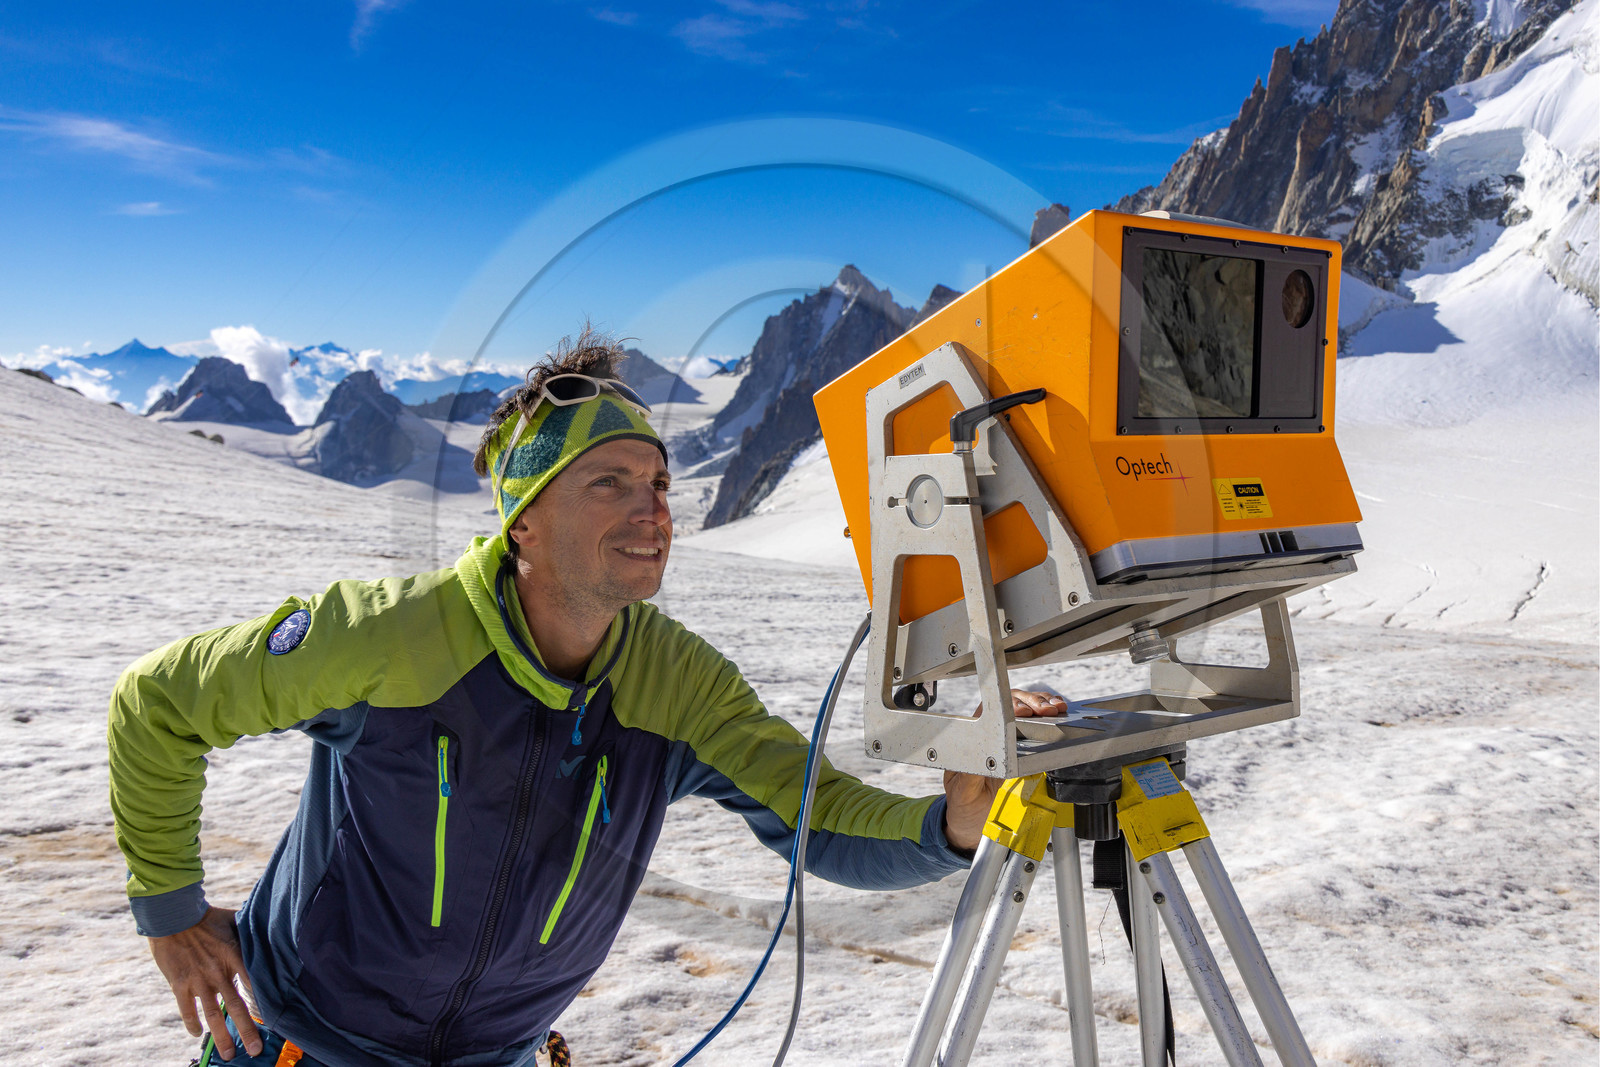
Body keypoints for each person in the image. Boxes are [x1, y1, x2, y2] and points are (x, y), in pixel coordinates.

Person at [108, 329, 1065, 1067]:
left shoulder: (675, 683)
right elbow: (157, 703)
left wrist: (949, 825)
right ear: (525, 520)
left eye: (656, 481)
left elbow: (817, 812)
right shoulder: (389, 636)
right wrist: (171, 911)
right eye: (610, 483)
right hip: (305, 1043)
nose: (654, 511)